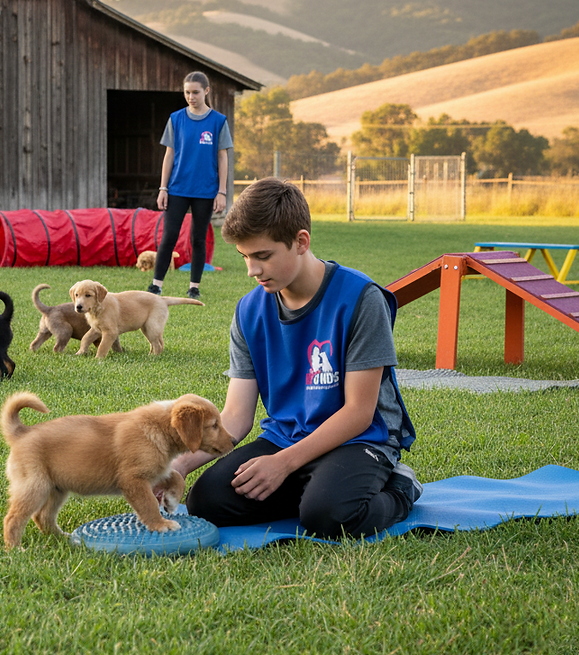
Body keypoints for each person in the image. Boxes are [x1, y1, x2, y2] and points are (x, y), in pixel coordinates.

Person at [175, 177, 421, 539]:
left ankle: (399, 488)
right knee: (207, 502)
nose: (252, 270)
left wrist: (283, 464)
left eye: (263, 256)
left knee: (328, 518)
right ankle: (313, 488)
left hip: (360, 439)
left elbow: (359, 413)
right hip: (285, 438)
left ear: (301, 242)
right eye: (244, 257)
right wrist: (178, 467)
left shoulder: (360, 299)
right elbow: (236, 417)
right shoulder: (249, 311)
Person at [148, 71, 232, 300]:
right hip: (177, 189)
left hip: (205, 191)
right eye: (187, 92)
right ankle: (156, 286)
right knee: (169, 237)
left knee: (198, 238)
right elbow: (169, 155)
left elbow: (223, 158)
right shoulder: (176, 119)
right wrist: (163, 188)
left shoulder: (218, 121)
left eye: (195, 92)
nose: (191, 97)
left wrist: (221, 192)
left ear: (206, 91)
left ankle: (194, 287)